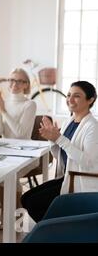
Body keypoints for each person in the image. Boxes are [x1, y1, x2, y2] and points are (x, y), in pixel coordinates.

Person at [21, 81, 98, 222]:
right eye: (69, 95)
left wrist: (59, 138)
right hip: (66, 176)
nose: (70, 99)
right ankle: (54, 228)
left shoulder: (93, 127)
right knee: (26, 198)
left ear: (90, 100)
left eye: (77, 96)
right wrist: (52, 139)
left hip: (79, 180)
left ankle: (54, 229)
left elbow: (88, 163)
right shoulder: (69, 121)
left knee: (33, 202)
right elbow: (61, 155)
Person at [0, 68, 37, 226]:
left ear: (26, 85)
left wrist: (3, 110)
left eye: (19, 81)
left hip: (26, 154)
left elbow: (19, 134)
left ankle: (11, 212)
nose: (14, 84)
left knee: (8, 174)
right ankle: (10, 209)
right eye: (11, 79)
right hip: (6, 151)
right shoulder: (4, 102)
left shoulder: (30, 104)